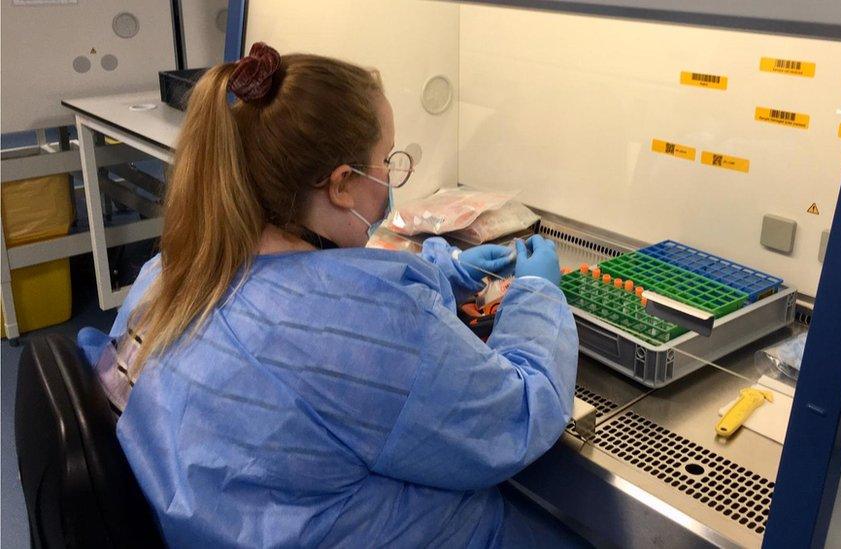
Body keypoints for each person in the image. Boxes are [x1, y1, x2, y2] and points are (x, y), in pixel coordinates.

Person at [77, 43, 582, 547]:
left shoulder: (171, 271)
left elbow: (308, 300)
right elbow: (517, 415)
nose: (391, 177)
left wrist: (439, 269)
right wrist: (537, 296)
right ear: (342, 184)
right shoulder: (366, 328)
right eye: (386, 161)